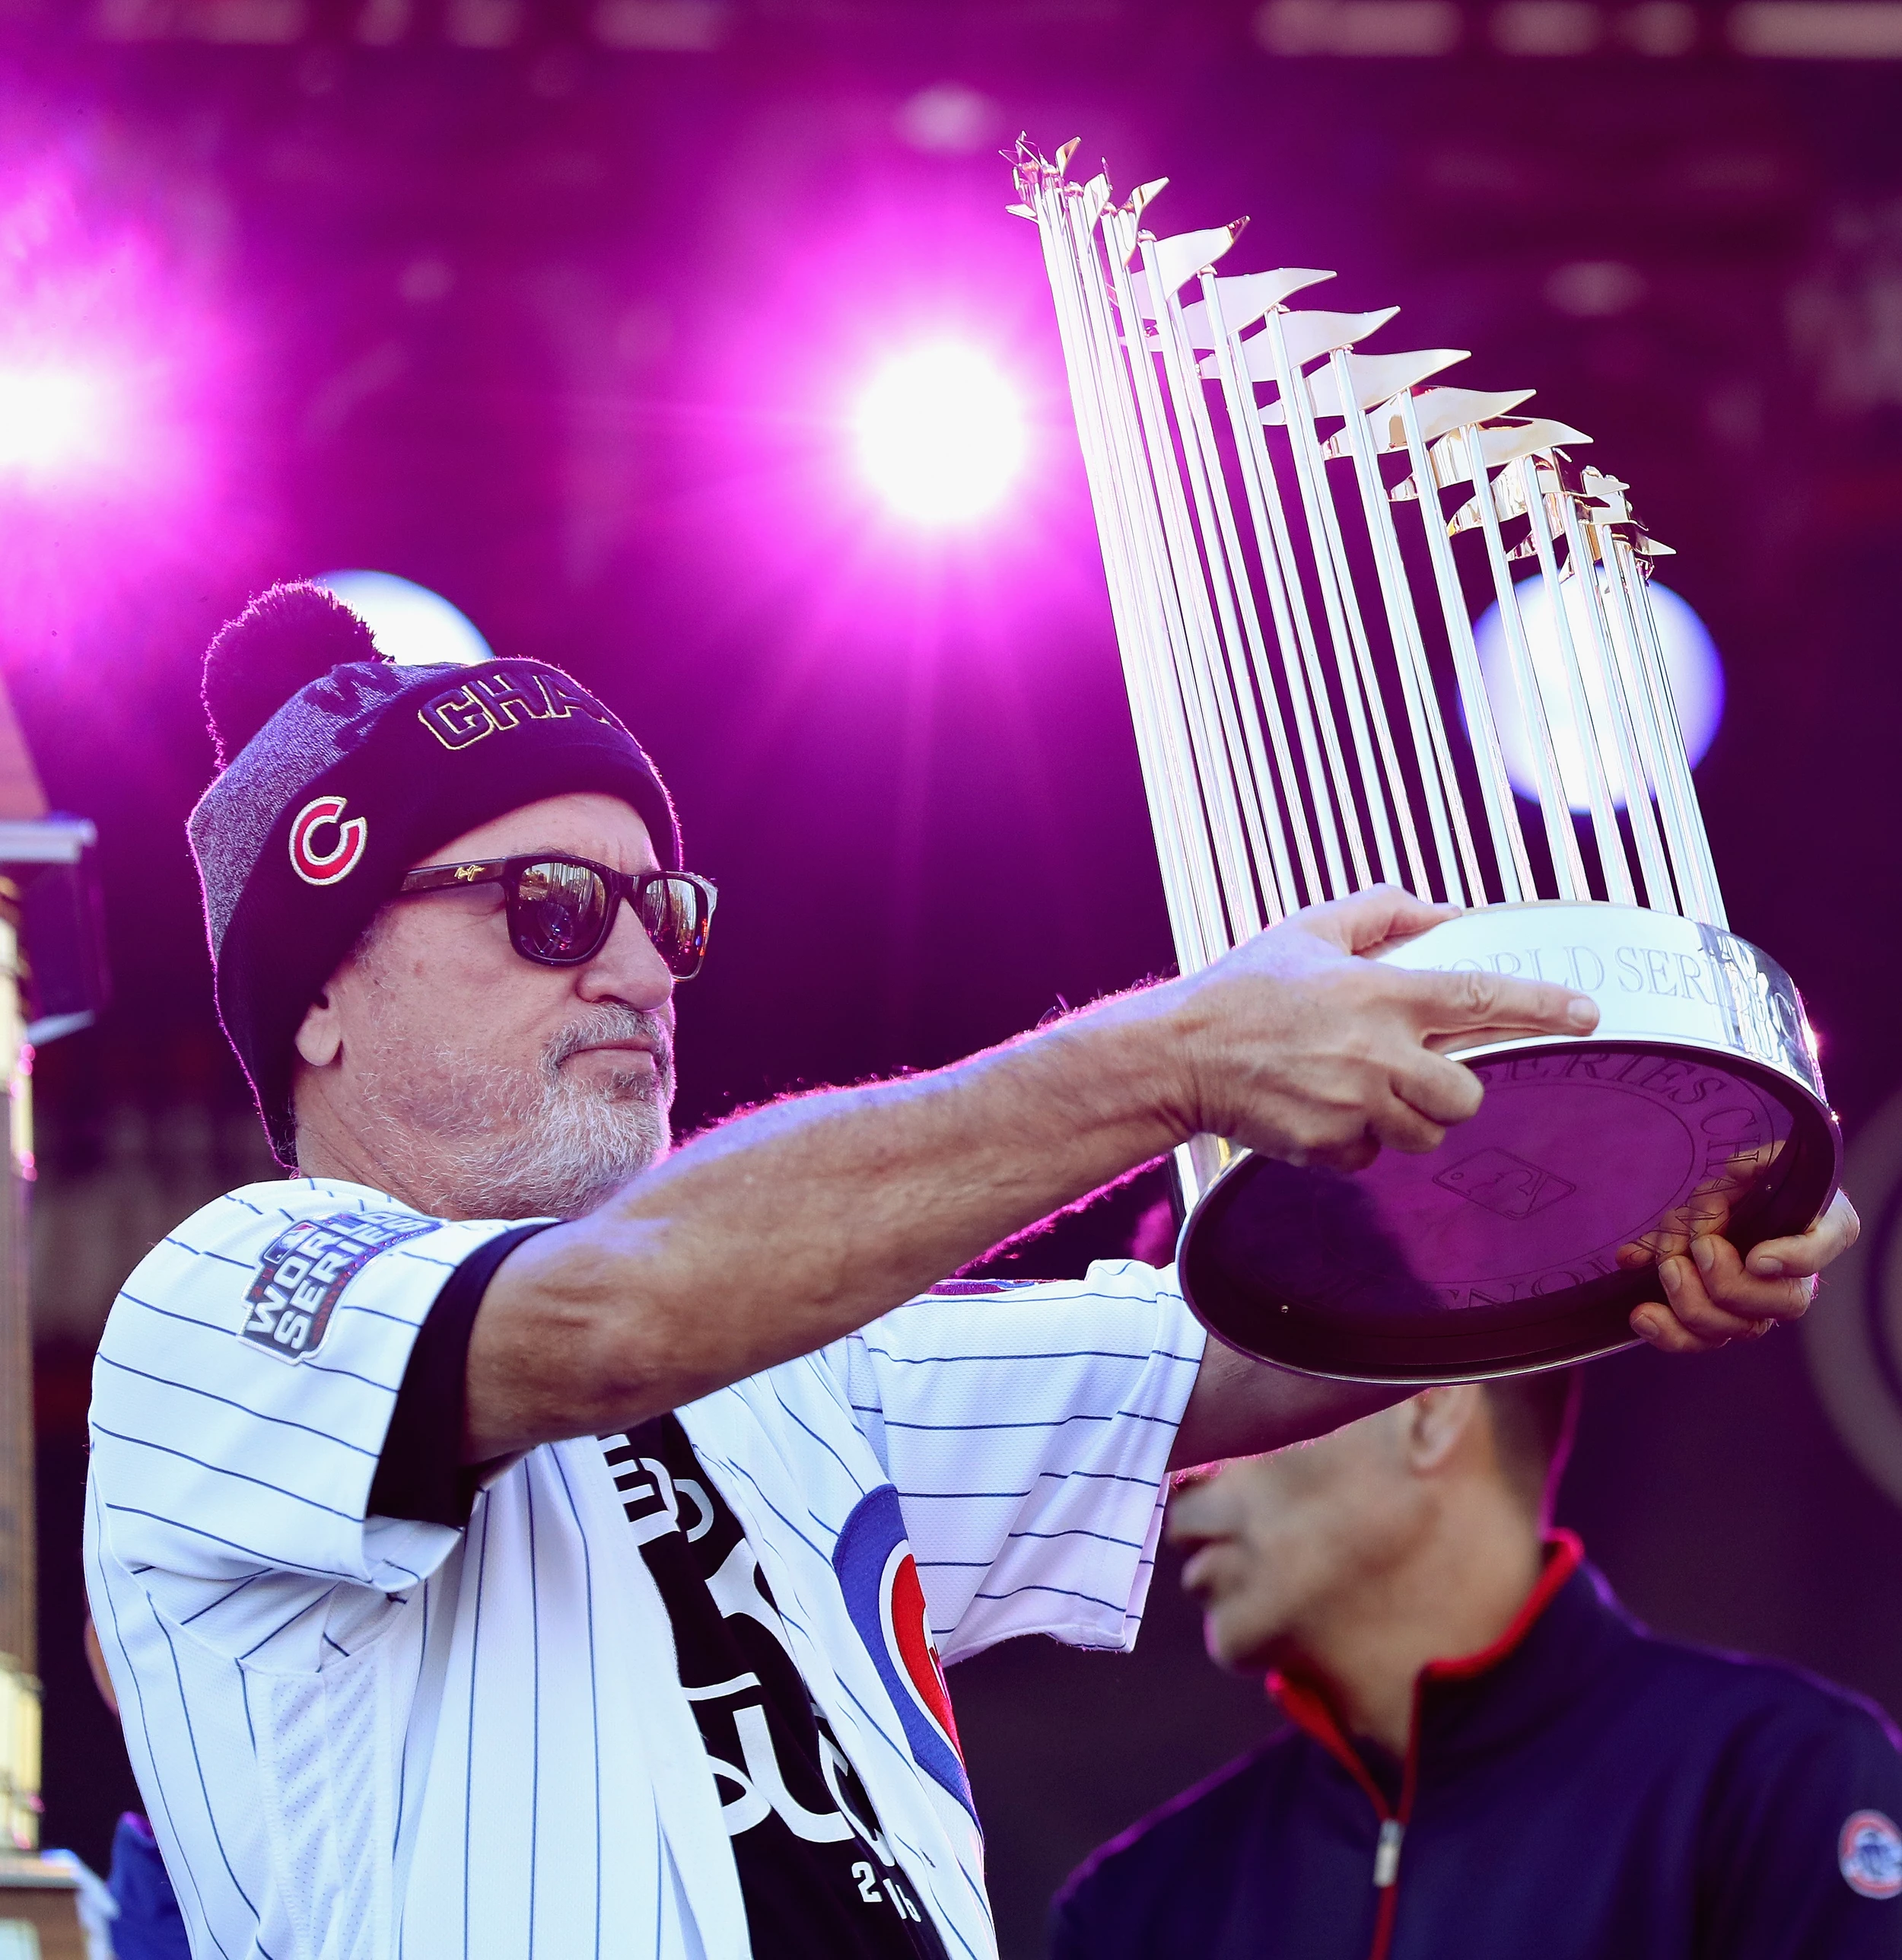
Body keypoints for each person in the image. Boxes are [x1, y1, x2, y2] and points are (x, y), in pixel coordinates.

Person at [83, 584, 1852, 1960]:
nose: (634, 965)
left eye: (665, 914)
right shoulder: (225, 1312)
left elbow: (1262, 1345)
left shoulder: (800, 1379)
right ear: (318, 990)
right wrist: (1176, 1054)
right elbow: (612, 1312)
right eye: (550, 907)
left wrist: (1645, 1208)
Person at [1051, 1373, 1902, 1960]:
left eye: (1231, 1392)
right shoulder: (1138, 1905)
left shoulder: (1779, 1783)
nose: (1173, 1471)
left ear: (1427, 1409)